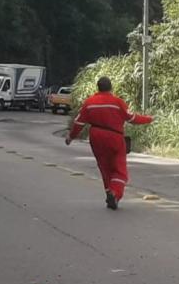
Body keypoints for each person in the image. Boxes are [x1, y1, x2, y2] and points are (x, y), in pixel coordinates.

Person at [65, 76, 153, 210]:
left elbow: (79, 123)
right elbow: (132, 118)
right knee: (119, 170)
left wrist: (71, 137)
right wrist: (149, 119)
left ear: (98, 88)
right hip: (115, 137)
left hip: (96, 137)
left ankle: (109, 192)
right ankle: (115, 193)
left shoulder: (90, 102)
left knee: (104, 167)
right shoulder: (117, 102)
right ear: (111, 88)